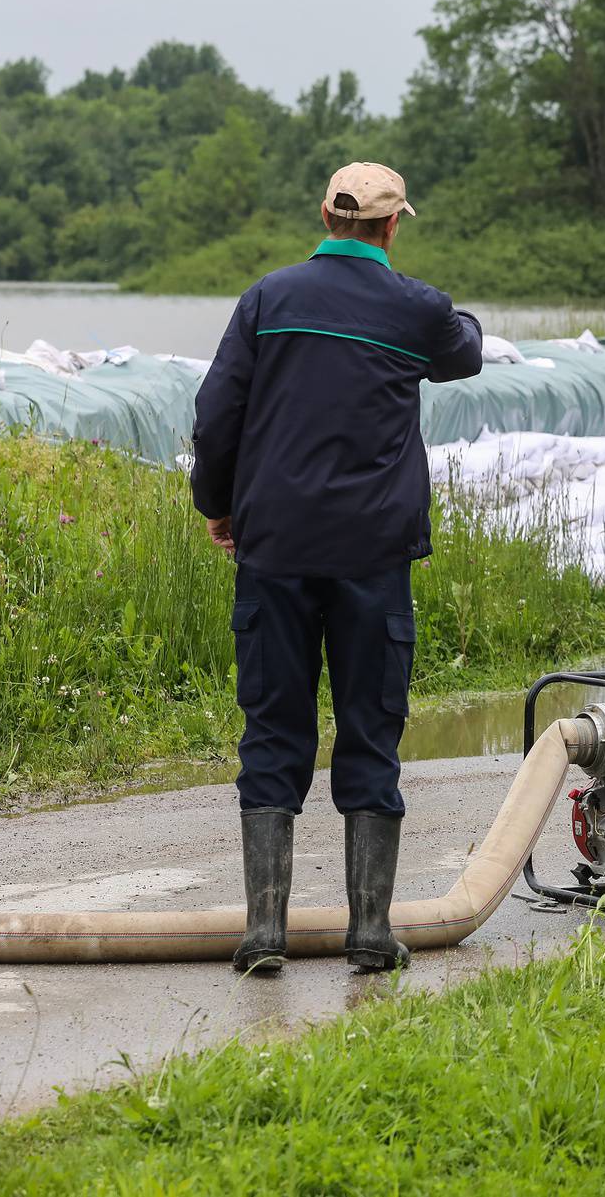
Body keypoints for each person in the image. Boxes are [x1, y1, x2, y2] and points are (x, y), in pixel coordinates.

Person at [190, 162, 483, 973]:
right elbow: (466, 351)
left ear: (323, 213)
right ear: (393, 227)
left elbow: (217, 418)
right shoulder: (415, 309)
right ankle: (369, 932)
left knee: (274, 728)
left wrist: (219, 504)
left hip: (274, 551)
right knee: (370, 730)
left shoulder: (267, 300)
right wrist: (437, 308)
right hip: (372, 558)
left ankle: (263, 934)